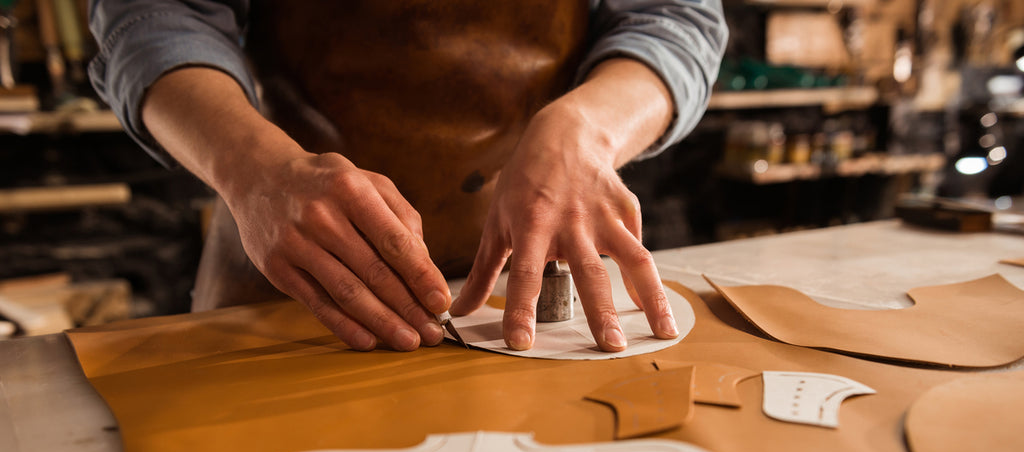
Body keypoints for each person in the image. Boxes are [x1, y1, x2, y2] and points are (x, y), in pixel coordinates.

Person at [87, 1, 727, 353]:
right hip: (294, 272)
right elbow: (154, 17)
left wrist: (589, 127)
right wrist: (254, 168)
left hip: (540, 266)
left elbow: (677, 17)